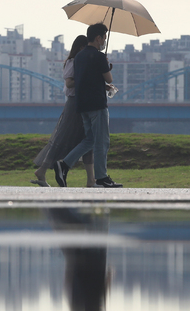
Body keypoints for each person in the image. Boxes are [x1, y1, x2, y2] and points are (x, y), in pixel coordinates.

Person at [53, 23, 123, 188]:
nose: (104, 41)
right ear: (98, 38)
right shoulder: (98, 57)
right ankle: (101, 178)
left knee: (90, 140)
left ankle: (64, 164)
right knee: (102, 141)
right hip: (97, 104)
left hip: (82, 104)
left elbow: (87, 78)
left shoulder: (79, 56)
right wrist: (105, 64)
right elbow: (109, 79)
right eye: (104, 38)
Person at [30, 35, 99, 188]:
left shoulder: (82, 62)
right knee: (62, 139)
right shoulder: (73, 62)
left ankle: (90, 180)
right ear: (81, 48)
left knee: (88, 141)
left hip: (83, 103)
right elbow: (69, 83)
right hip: (74, 104)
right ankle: (41, 170)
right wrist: (87, 77)